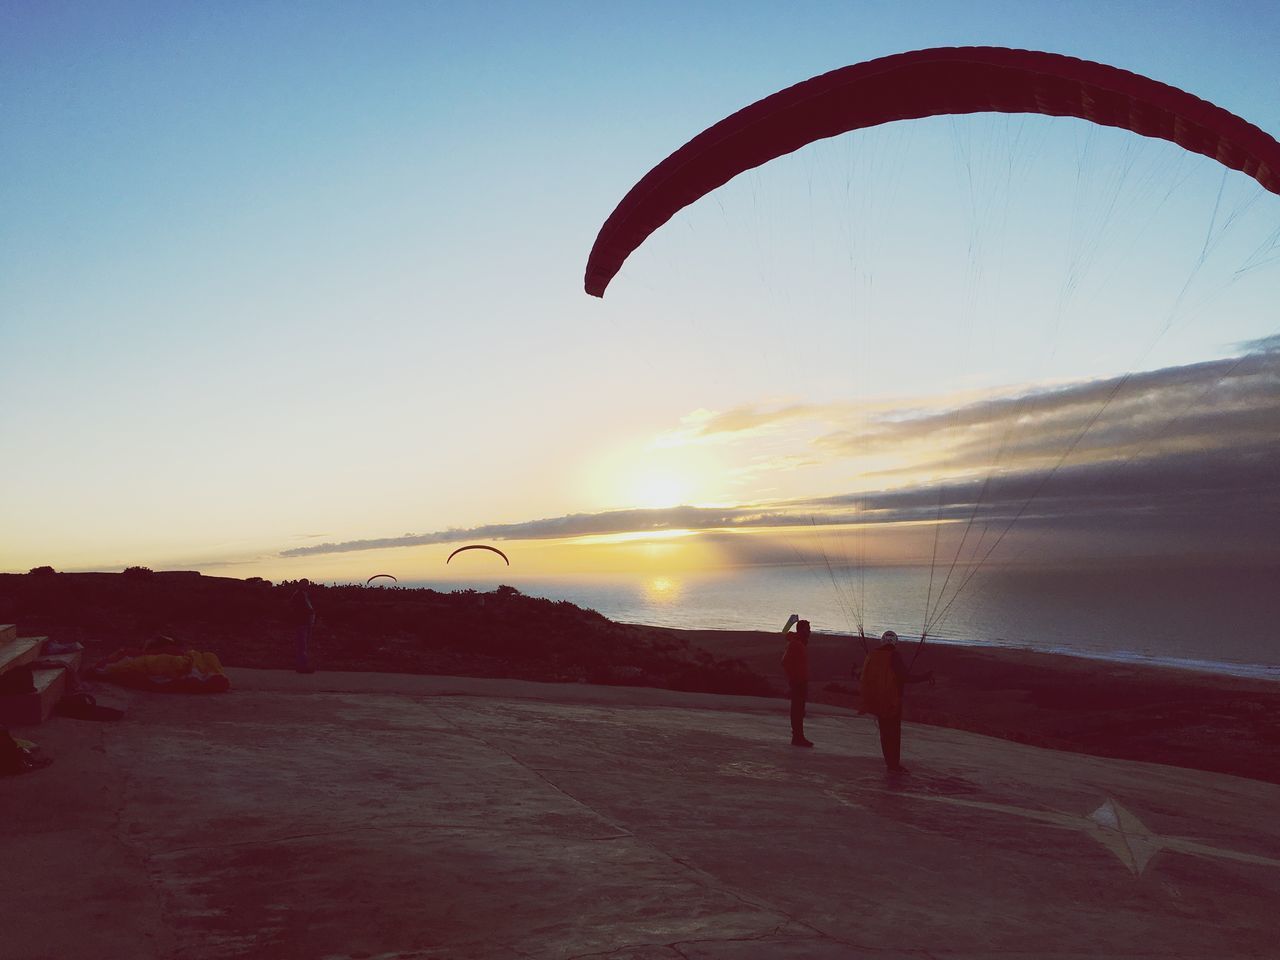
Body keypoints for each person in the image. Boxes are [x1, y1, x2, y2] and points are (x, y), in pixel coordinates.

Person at [859, 630, 933, 773]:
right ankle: (894, 766)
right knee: (893, 733)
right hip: (892, 701)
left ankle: (890, 763)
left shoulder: (872, 656)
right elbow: (905, 677)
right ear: (895, 643)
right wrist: (925, 677)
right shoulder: (894, 656)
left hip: (877, 700)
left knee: (885, 734)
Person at [780, 613, 813, 747]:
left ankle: (799, 736)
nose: (810, 631)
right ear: (802, 630)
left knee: (800, 710)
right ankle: (798, 737)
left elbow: (784, 632)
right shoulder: (796, 644)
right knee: (797, 710)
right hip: (798, 682)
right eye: (808, 629)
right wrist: (793, 678)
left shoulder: (799, 643)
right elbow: (785, 662)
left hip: (800, 681)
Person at [288, 579, 317, 674]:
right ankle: (302, 666)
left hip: (305, 623)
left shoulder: (304, 595)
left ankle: (302, 665)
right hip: (302, 623)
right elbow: (299, 609)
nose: (306, 586)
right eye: (304, 584)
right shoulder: (299, 595)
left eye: (307, 584)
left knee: (303, 645)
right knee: (302, 645)